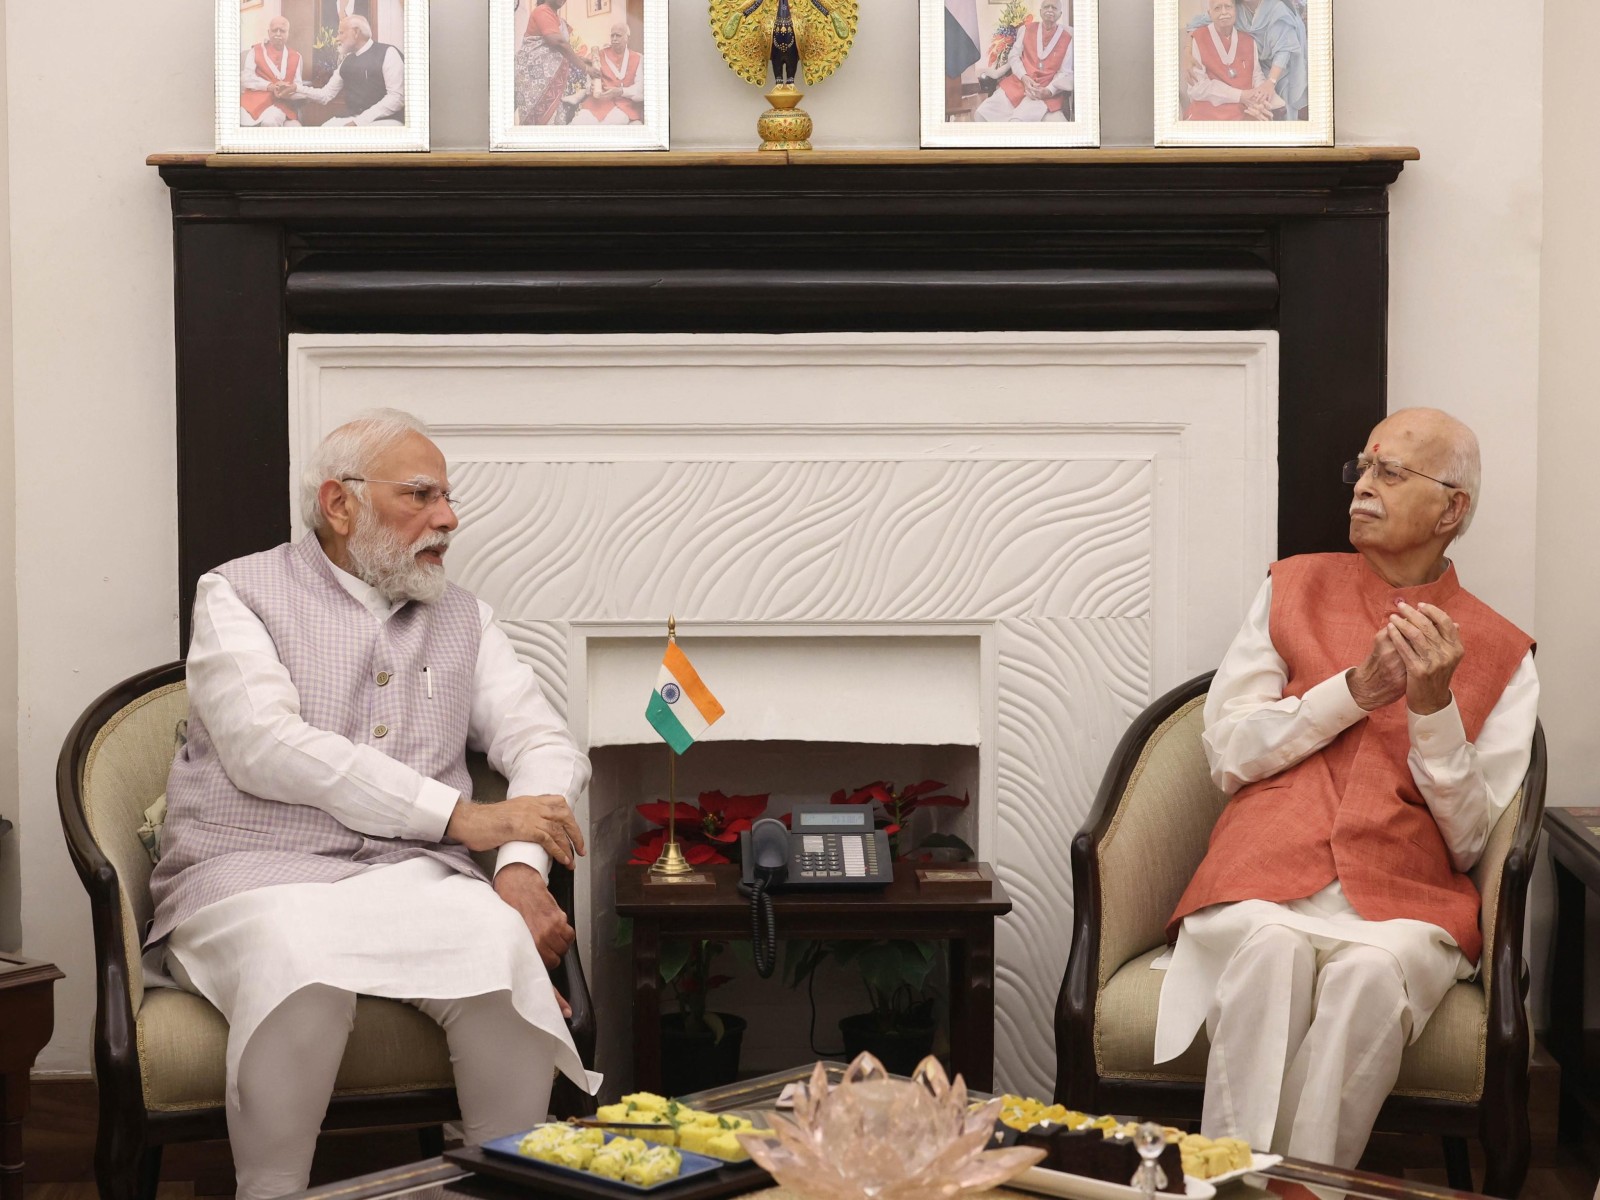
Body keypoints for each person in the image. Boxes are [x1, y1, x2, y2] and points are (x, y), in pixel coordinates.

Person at [147, 410, 599, 1200]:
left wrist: (521, 869)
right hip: (250, 870)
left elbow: (545, 744)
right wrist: (462, 819)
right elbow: (265, 745)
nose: (449, 519)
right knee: (301, 961)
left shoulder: (465, 619)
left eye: (448, 498)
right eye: (421, 495)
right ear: (340, 503)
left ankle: (507, 1186)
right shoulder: (237, 594)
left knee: (500, 950)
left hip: (411, 876)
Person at [1153, 408, 1538, 1168]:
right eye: (1361, 468)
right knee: (1269, 951)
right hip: (1263, 876)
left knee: (1368, 974)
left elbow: (1469, 840)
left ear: (1451, 509)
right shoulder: (1289, 588)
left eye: (1390, 473)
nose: (1363, 486)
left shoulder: (1502, 651)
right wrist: (1353, 692)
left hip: (1405, 900)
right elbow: (1228, 752)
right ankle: (1227, 1183)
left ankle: (1306, 1192)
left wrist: (1433, 711)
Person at [293, 14, 405, 127]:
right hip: (354, 118)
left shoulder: (389, 53)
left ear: (356, 32)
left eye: (341, 33)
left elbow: (396, 98)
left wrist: (359, 122)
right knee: (325, 130)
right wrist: (296, 88)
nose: (337, 38)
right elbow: (326, 95)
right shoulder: (346, 61)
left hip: (386, 120)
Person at [974, 0, 1073, 123]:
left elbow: (1065, 72)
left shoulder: (1068, 38)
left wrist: (1049, 90)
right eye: (1046, 7)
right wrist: (1023, 76)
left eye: (1054, 8)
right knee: (982, 113)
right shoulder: (1027, 29)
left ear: (1060, 13)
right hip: (1018, 83)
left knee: (1017, 122)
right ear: (1040, 11)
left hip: (1043, 90)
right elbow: (1014, 56)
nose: (1050, 10)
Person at [1184, 0, 1282, 121]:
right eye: (1217, 8)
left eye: (1228, 7)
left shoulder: (1249, 40)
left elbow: (1256, 76)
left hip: (1244, 109)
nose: (1224, 12)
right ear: (1209, 13)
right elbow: (1197, 88)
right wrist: (1240, 95)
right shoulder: (1199, 38)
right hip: (1208, 111)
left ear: (1236, 11)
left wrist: (1260, 98)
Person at [515, 0, 597, 127]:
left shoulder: (558, 19)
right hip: (535, 81)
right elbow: (558, 43)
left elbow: (559, 52)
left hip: (553, 83)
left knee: (554, 123)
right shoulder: (542, 10)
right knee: (537, 126)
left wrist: (582, 59)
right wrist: (585, 68)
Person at [571, 22, 644, 126]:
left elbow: (640, 90)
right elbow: (589, 83)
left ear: (627, 38)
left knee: (612, 123)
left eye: (618, 35)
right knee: (579, 123)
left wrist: (620, 91)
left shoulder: (638, 58)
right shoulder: (598, 55)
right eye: (612, 35)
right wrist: (590, 87)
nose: (614, 39)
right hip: (599, 103)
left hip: (624, 105)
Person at [239, 16, 304, 129]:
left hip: (280, 104)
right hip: (254, 100)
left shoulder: (296, 56)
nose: (278, 34)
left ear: (288, 33)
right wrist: (270, 86)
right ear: (269, 32)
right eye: (274, 30)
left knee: (270, 121)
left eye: (282, 31)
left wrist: (288, 90)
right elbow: (246, 78)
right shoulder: (256, 51)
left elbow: (298, 85)